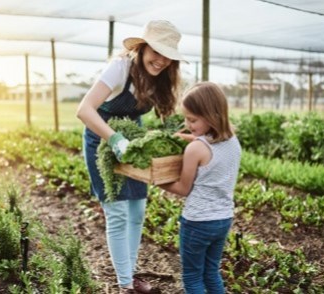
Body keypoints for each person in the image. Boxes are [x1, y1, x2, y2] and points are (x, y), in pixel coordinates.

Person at [76, 20, 186, 294]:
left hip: (133, 139)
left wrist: (177, 139)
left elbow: (168, 117)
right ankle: (125, 285)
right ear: (143, 47)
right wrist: (114, 138)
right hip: (102, 137)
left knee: (137, 211)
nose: (161, 61)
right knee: (117, 212)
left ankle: (131, 273)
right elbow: (84, 110)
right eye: (156, 52)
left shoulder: (160, 77)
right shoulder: (121, 67)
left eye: (167, 56)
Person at [157, 82, 242, 294]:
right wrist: (189, 136)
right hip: (223, 219)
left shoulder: (195, 150)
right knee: (211, 273)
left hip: (197, 222)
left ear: (211, 115)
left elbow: (184, 188)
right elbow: (205, 141)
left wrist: (157, 180)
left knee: (192, 278)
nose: (187, 124)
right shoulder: (232, 141)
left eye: (192, 119)